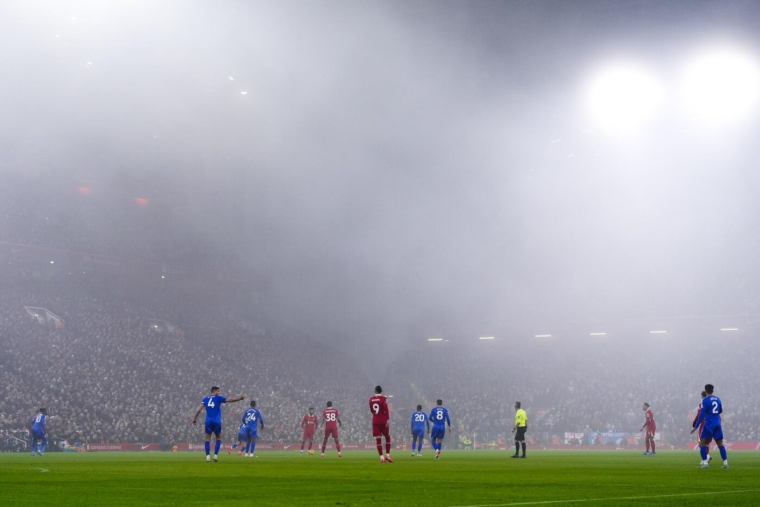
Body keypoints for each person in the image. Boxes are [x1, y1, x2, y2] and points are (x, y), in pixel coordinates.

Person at [192, 386, 245, 462]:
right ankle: (215, 456)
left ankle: (207, 457)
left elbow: (199, 410)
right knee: (218, 438)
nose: (220, 392)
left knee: (207, 438)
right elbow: (229, 400)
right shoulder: (218, 397)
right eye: (219, 391)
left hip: (208, 421)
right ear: (215, 391)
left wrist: (194, 419)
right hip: (217, 421)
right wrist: (239, 398)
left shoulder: (205, 399)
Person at [694, 384, 728, 469]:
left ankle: (705, 464)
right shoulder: (718, 399)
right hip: (717, 423)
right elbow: (720, 410)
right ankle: (725, 463)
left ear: (705, 391)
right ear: (713, 390)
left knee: (702, 443)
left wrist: (696, 425)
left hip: (709, 423)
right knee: (720, 444)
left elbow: (701, 414)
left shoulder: (704, 400)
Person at [369, 386, 393, 463]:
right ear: (381, 391)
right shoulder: (383, 399)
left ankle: (381, 457)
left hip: (375, 421)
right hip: (383, 420)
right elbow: (386, 409)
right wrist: (387, 419)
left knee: (378, 439)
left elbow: (371, 410)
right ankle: (388, 455)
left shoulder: (371, 399)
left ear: (375, 391)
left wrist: (376, 416)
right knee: (387, 436)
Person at [690, 391, 712, 463]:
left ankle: (705, 459)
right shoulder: (711, 404)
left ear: (702, 396)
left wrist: (695, 423)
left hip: (703, 425)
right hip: (711, 425)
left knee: (701, 442)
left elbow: (699, 414)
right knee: (706, 442)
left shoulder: (702, 404)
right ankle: (707, 455)